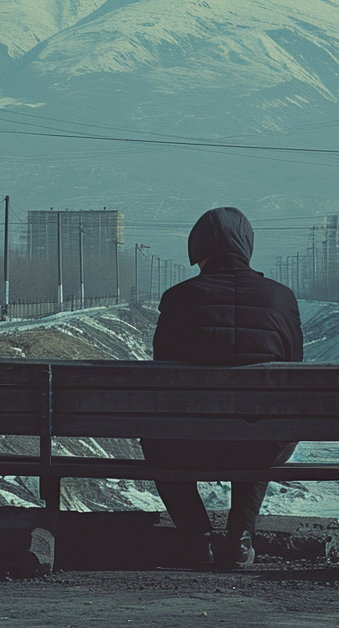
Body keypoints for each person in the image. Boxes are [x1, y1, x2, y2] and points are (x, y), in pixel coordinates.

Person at [141, 207, 303, 569]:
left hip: (188, 444)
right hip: (259, 444)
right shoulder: (281, 299)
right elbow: (295, 371)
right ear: (247, 246)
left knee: (155, 439)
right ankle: (241, 537)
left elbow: (161, 370)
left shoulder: (177, 299)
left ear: (200, 248)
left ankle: (197, 536)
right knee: (263, 426)